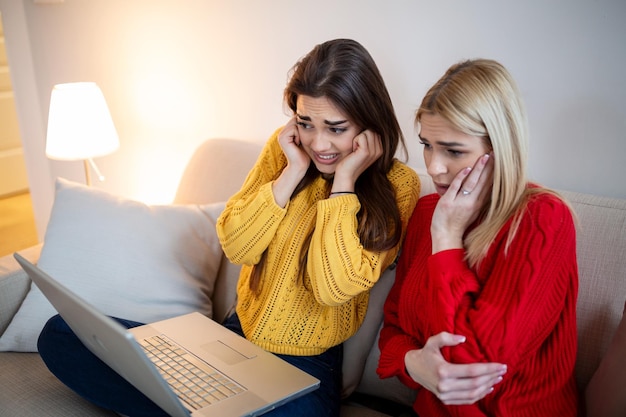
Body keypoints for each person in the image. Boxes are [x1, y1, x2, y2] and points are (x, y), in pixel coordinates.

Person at [37, 38, 420, 417]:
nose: (318, 142)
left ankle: (187, 405)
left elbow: (332, 287)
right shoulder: (286, 152)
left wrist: (344, 184)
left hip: (307, 367)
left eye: (336, 128)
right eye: (305, 123)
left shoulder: (397, 186)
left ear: (369, 122)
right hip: (231, 339)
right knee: (61, 334)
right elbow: (238, 246)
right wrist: (291, 174)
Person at [377, 59, 579, 416]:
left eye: (453, 151)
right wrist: (412, 362)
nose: (434, 167)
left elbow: (474, 368)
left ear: (499, 148)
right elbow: (393, 328)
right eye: (427, 144)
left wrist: (447, 239)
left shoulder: (543, 219)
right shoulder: (427, 211)